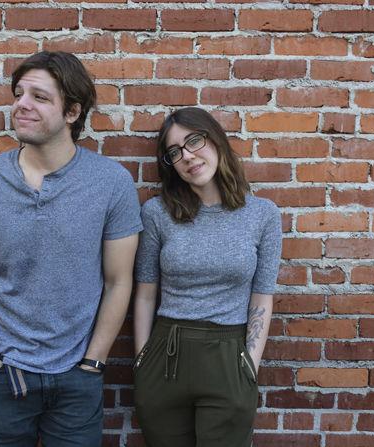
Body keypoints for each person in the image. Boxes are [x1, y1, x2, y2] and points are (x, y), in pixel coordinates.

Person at [0, 51, 142, 447]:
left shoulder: (111, 182)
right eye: (18, 93)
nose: (22, 104)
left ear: (72, 112)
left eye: (39, 97)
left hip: (77, 379)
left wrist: (92, 362)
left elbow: (119, 281)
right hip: (6, 375)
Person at [132, 107, 282, 447]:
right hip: (165, 357)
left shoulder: (263, 215)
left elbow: (262, 296)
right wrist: (142, 361)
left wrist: (249, 365)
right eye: (175, 152)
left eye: (193, 141)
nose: (187, 156)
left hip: (230, 356)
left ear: (215, 140)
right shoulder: (157, 213)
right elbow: (144, 293)